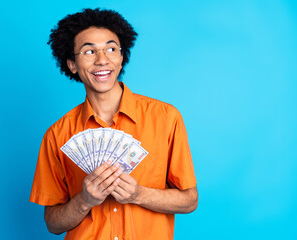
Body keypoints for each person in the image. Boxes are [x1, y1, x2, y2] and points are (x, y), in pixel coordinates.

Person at [30, 8, 198, 240]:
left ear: (121, 57)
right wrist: (84, 201)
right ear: (72, 64)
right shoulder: (57, 135)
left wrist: (138, 194)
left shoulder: (166, 117)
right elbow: (53, 223)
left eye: (111, 49)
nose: (102, 60)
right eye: (89, 51)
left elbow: (190, 200)